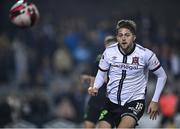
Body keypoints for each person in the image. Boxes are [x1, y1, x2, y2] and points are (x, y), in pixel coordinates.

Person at [88, 19, 167, 128]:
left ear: (134, 37)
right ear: (117, 38)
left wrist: (154, 101)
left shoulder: (145, 54)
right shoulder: (109, 52)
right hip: (111, 102)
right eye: (120, 35)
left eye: (127, 35)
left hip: (134, 102)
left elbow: (162, 76)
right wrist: (95, 86)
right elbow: (101, 74)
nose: (123, 38)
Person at [81, 35, 117, 128]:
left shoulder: (120, 62)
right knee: (88, 126)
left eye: (112, 44)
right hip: (96, 100)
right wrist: (89, 79)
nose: (109, 46)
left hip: (109, 102)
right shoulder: (99, 59)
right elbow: (95, 77)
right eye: (107, 43)